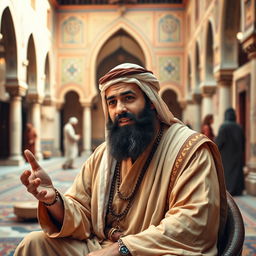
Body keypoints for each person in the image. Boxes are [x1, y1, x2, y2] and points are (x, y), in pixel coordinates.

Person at [15, 63, 227, 256]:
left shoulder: (189, 150)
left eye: (129, 98)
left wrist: (123, 248)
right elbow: (82, 213)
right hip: (101, 247)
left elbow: (192, 223)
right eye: (112, 102)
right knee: (34, 244)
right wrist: (53, 200)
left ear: (151, 102)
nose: (120, 109)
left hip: (150, 251)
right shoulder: (103, 155)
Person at [215, 108, 245, 196]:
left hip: (226, 155)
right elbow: (243, 142)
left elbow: (219, 143)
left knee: (228, 173)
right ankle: (237, 190)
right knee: (236, 172)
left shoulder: (224, 126)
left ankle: (229, 191)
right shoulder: (239, 127)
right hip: (237, 154)